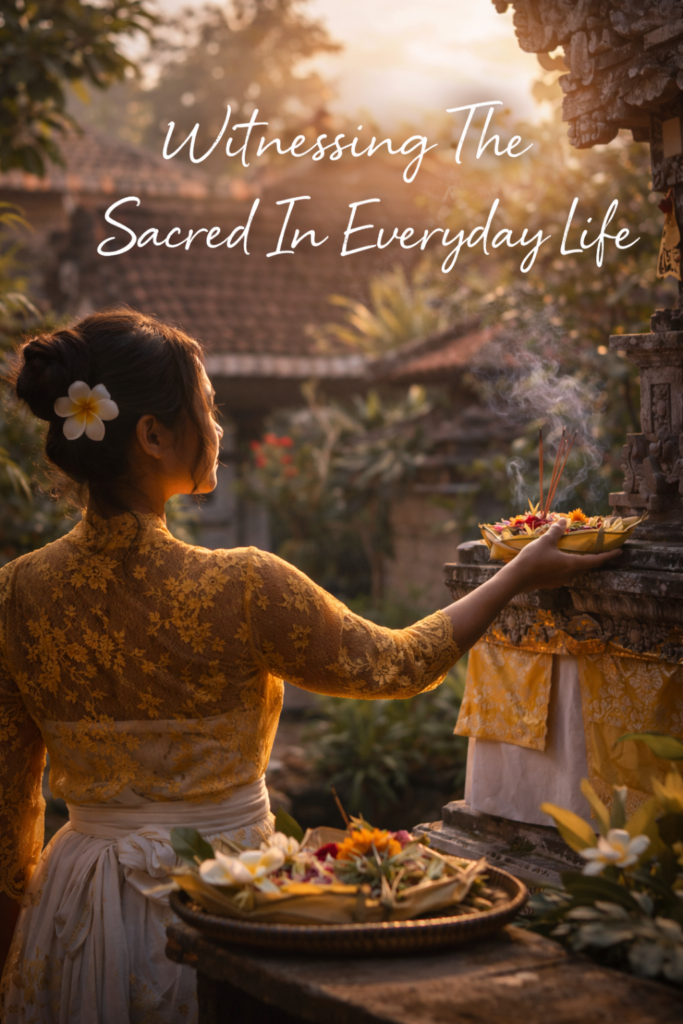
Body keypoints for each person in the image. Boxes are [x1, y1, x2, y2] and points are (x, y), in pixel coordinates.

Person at [0, 309, 619, 1023]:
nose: (218, 427)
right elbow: (398, 665)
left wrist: (19, 944)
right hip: (227, 891)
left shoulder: (17, 592)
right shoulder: (242, 584)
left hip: (75, 908)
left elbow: (9, 810)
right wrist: (516, 574)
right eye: (207, 406)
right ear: (152, 436)